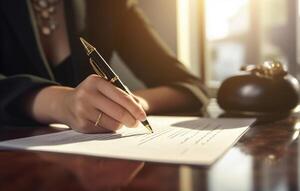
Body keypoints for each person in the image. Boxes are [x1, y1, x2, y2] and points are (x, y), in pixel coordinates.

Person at [0, 0, 209, 133]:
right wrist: (61, 103)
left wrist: (131, 104)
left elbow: (191, 87)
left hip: (91, 170)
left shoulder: (108, 5)